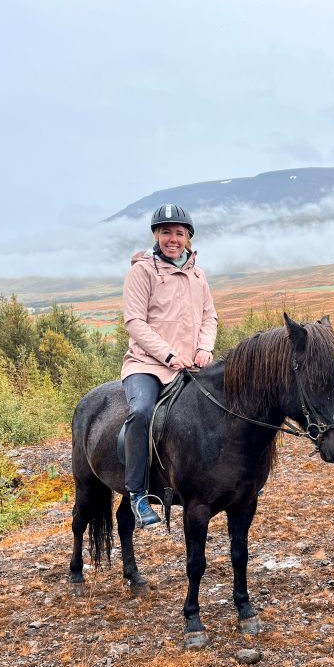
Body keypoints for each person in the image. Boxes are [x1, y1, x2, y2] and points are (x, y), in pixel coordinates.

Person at [121, 204, 218, 528]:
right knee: (141, 412)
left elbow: (209, 317)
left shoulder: (198, 275)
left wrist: (204, 348)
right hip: (148, 364)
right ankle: (137, 493)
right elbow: (134, 321)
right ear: (156, 236)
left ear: (188, 238)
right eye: (165, 232)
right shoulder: (142, 272)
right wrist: (168, 355)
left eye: (179, 233)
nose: (172, 238)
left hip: (191, 364)